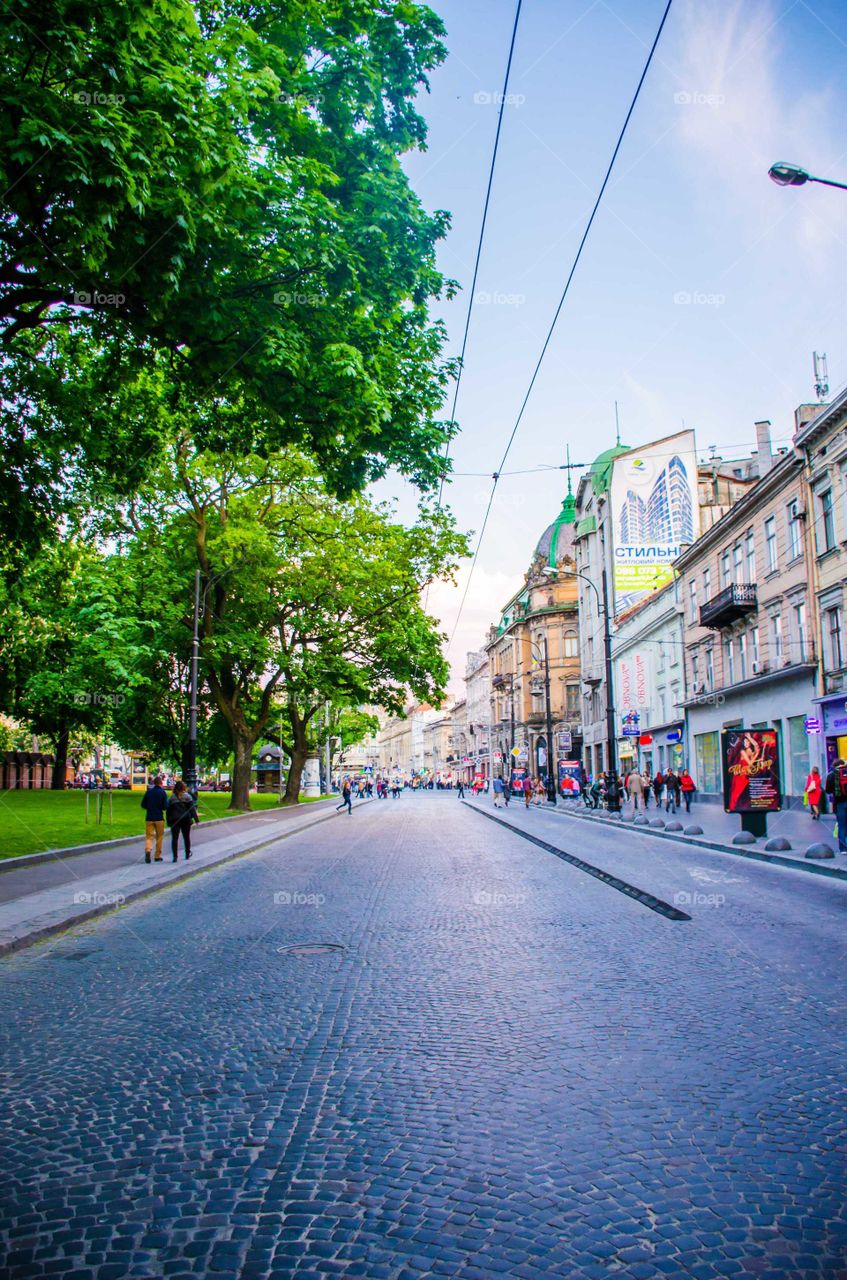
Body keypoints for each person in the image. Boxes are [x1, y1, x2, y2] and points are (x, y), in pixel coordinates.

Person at [167, 780, 199, 862]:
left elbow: (168, 810)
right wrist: (196, 819)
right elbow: (192, 809)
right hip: (185, 819)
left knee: (174, 838)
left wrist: (168, 820)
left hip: (175, 819)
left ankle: (175, 856)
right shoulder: (187, 797)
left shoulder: (172, 797)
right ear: (183, 788)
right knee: (186, 837)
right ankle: (187, 853)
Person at [141, 774, 168, 864]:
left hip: (149, 817)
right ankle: (157, 855)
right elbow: (165, 806)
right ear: (161, 783)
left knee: (149, 836)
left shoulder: (148, 792)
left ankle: (148, 850)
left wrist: (149, 807)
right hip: (159, 818)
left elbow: (143, 804)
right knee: (159, 837)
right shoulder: (162, 793)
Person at [824, 758, 847, 853]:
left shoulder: (831, 775)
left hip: (840, 803)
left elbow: (828, 790)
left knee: (841, 826)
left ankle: (843, 849)